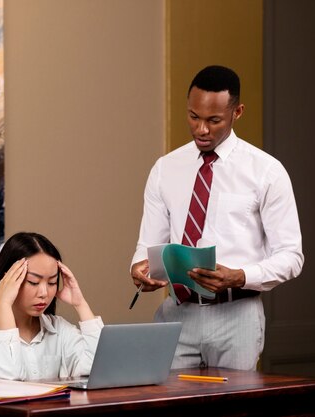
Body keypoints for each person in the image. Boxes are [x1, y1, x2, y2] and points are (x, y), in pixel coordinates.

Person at [130, 65, 304, 371]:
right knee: (167, 410)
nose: (201, 130)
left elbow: (291, 257)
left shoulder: (266, 171)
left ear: (237, 112)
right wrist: (140, 268)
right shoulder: (165, 169)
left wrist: (240, 276)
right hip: (176, 314)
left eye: (214, 120)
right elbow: (149, 244)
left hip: (236, 317)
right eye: (194, 117)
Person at [0, 232, 103, 384]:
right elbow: (8, 378)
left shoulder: (59, 329)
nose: (44, 293)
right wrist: (3, 304)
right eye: (34, 282)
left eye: (52, 283)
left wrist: (80, 304)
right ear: (7, 279)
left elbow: (97, 370)